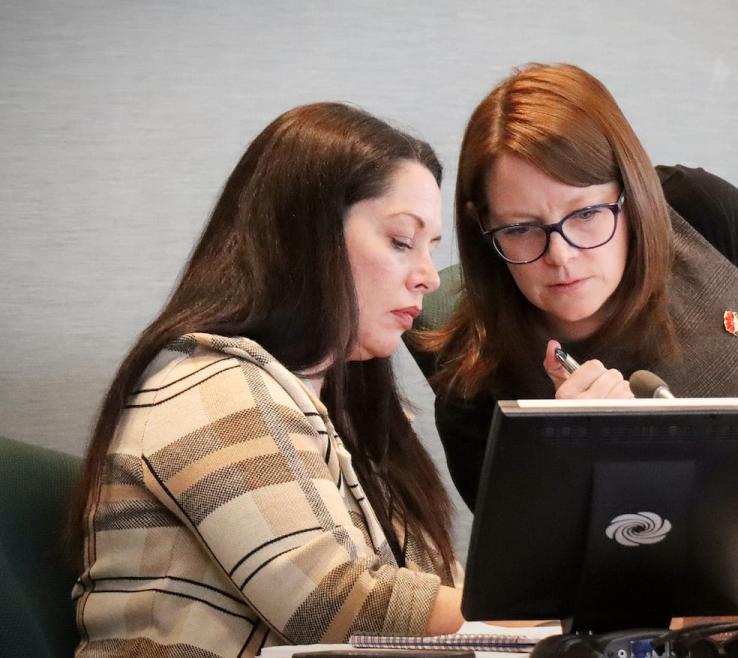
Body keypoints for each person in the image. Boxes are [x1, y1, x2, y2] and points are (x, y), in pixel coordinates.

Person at [410, 63, 738, 510]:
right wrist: (579, 454)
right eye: (521, 229)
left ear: (631, 193)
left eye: (589, 213)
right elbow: (540, 589)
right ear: (483, 227)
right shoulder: (472, 384)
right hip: (689, 613)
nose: (562, 256)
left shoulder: (697, 211)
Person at [70, 103, 464, 657]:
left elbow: (432, 588)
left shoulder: (349, 416)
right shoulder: (207, 383)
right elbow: (327, 603)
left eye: (430, 249)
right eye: (402, 241)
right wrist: (530, 605)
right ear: (306, 236)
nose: (427, 275)